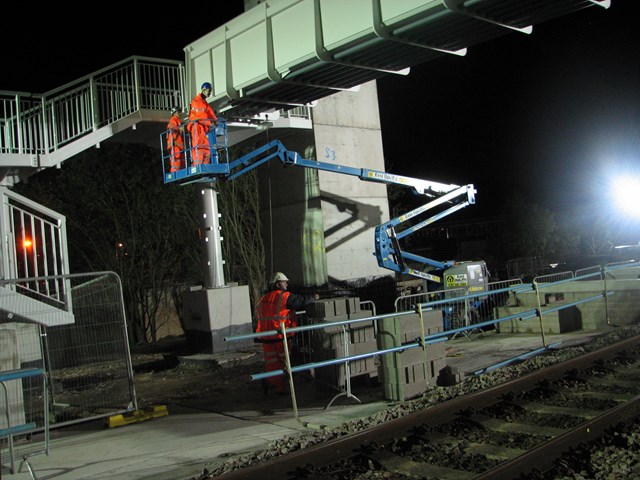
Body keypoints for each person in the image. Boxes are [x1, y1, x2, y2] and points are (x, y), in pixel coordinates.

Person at [255, 272, 319, 394]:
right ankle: (283, 388)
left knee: (272, 364)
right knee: (285, 363)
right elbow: (299, 301)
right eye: (285, 282)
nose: (287, 284)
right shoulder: (283, 297)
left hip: (266, 338)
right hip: (279, 335)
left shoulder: (263, 299)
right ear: (278, 284)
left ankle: (274, 385)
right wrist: (313, 297)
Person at [186, 82, 218, 165]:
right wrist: (210, 123)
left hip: (202, 128)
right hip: (197, 127)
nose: (210, 93)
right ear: (203, 90)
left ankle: (205, 166)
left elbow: (210, 112)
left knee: (206, 147)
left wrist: (215, 120)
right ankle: (197, 166)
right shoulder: (197, 101)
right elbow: (201, 116)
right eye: (209, 91)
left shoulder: (204, 103)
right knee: (199, 147)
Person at [166, 106, 185, 172]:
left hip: (179, 146)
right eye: (179, 112)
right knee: (176, 162)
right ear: (174, 113)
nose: (180, 113)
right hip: (175, 145)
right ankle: (175, 173)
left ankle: (180, 172)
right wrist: (179, 128)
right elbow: (171, 127)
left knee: (181, 162)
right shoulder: (173, 119)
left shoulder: (178, 120)